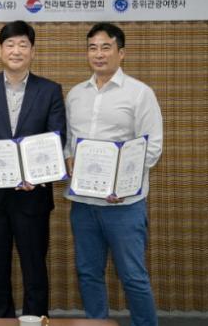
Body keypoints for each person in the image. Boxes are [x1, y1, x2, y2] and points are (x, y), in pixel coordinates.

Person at [0, 20, 66, 318]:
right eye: (10, 44)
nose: (16, 50)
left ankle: (35, 320)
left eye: (23, 44)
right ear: (0, 51)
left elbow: (57, 137)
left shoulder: (50, 90)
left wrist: (39, 174)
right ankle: (0, 320)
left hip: (32, 196)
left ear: (32, 51)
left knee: (35, 270)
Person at [64, 22, 163, 326]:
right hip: (83, 203)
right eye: (92, 47)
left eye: (106, 47)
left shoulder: (140, 93)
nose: (99, 54)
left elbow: (152, 147)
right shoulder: (75, 94)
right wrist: (68, 160)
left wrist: (123, 183)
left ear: (121, 53)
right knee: (88, 273)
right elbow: (69, 142)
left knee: (133, 276)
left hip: (124, 206)